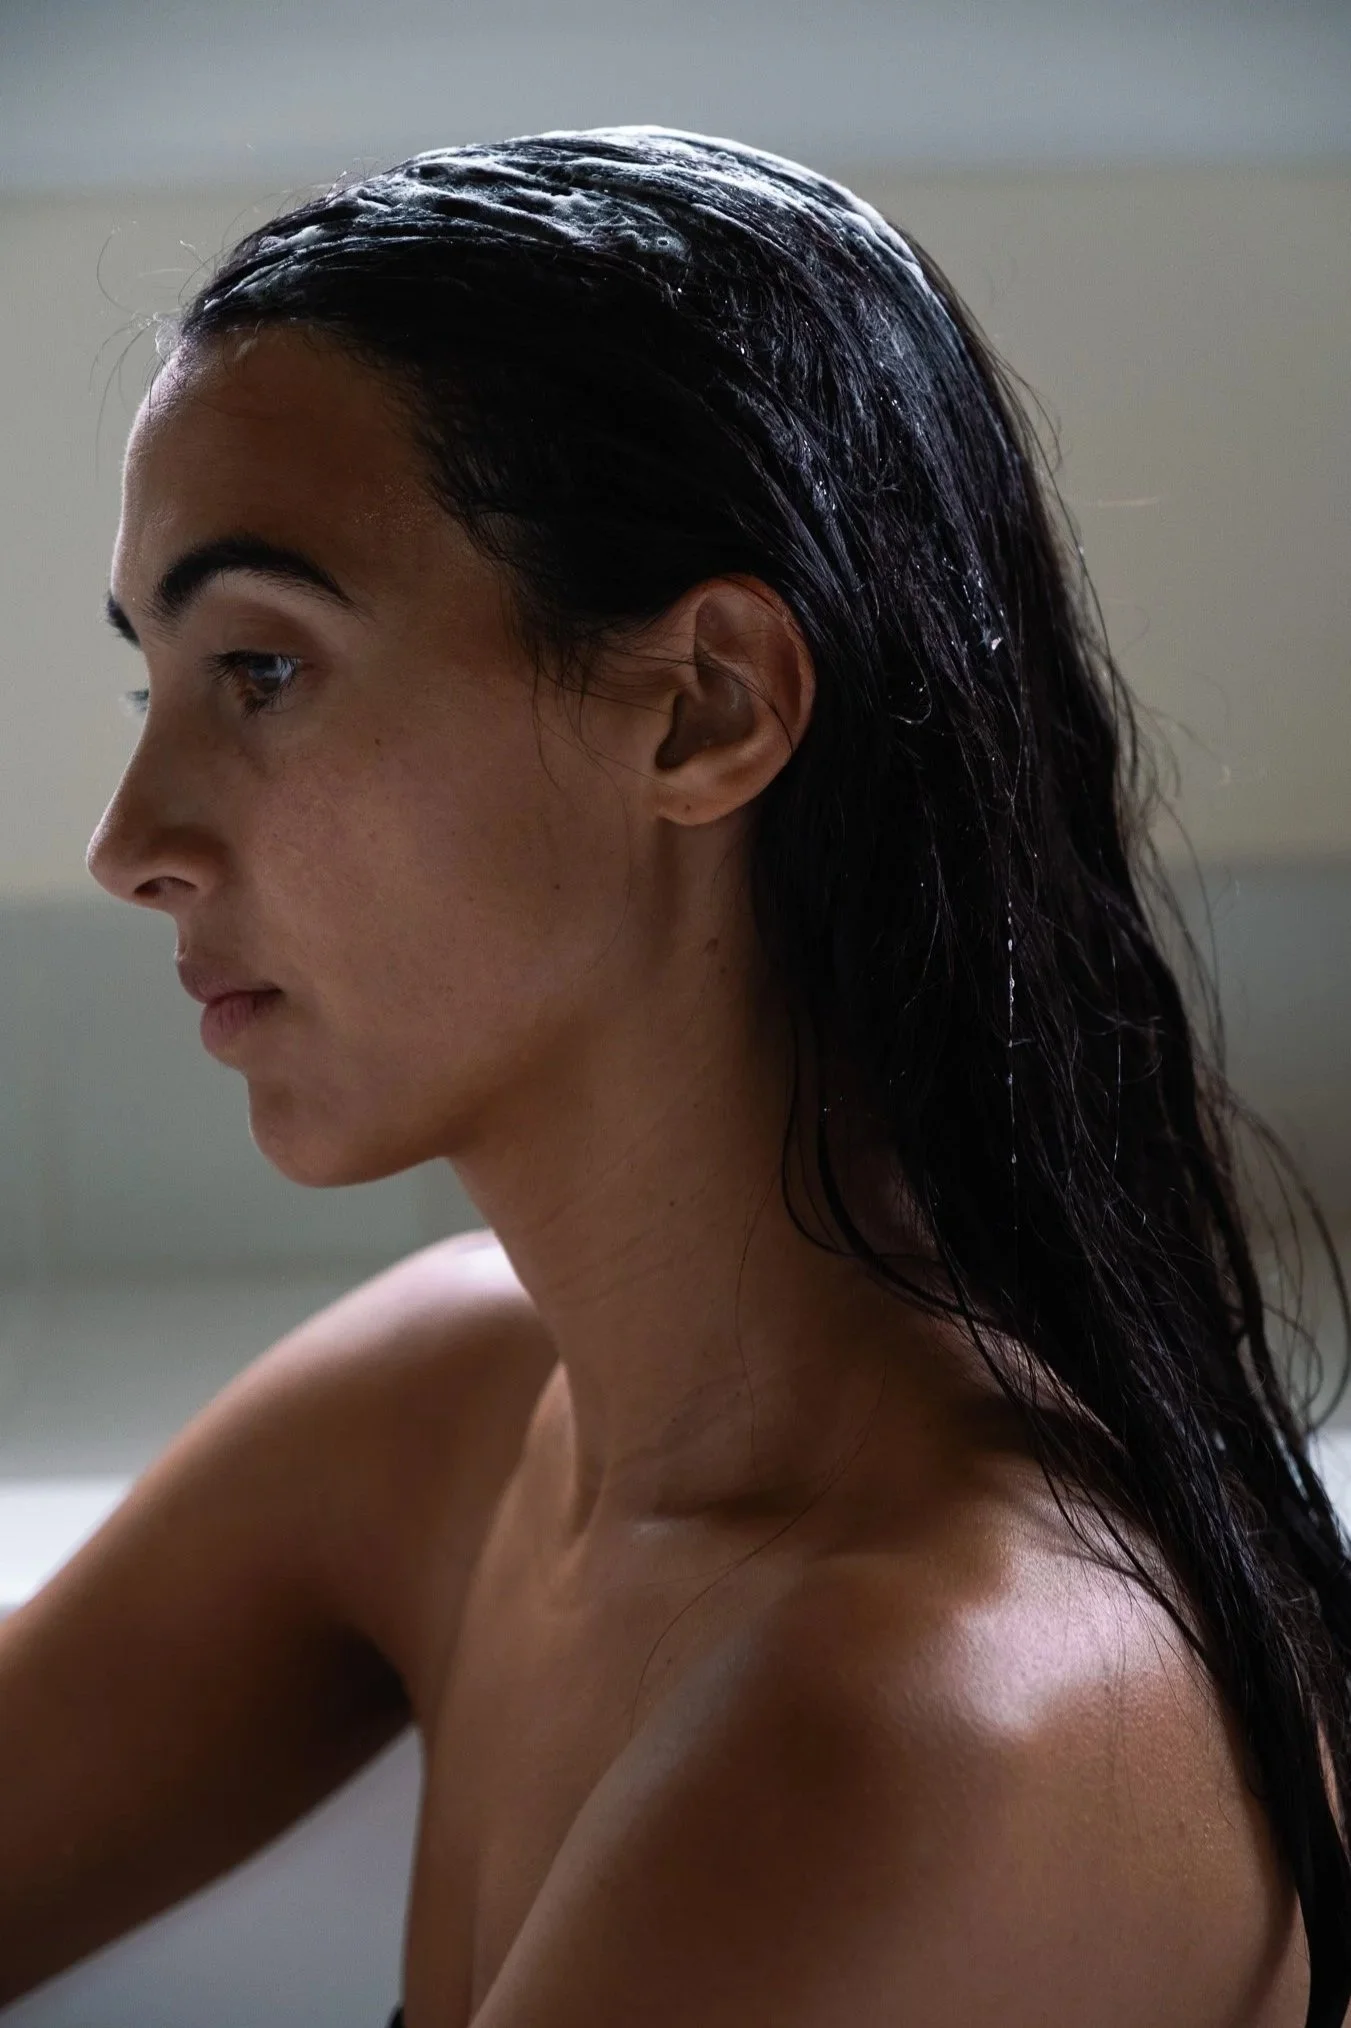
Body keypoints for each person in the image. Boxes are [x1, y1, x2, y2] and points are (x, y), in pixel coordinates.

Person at [0, 125, 1347, 2027]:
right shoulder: (460, 1411)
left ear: (704, 707)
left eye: (266, 670)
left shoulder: (915, 1723)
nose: (131, 839)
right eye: (164, 680)